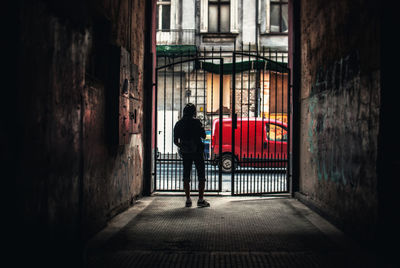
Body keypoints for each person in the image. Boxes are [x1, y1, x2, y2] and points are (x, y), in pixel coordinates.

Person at [174, 103, 210, 207]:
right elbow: (203, 136)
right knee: (201, 175)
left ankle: (188, 199)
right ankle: (200, 199)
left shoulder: (179, 124)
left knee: (186, 175)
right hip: (198, 152)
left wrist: (184, 146)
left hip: (186, 153)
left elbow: (175, 141)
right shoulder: (196, 122)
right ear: (194, 112)